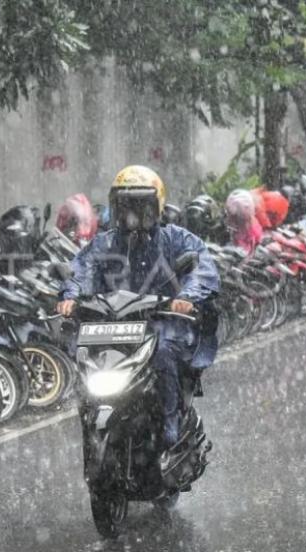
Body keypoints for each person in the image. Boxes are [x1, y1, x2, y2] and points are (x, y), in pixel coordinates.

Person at [56, 165, 220, 447]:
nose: (132, 213)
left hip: (163, 325)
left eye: (141, 205)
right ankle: (93, 430)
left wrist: (187, 297)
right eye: (125, 205)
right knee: (85, 364)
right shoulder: (104, 243)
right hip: (113, 330)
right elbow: (81, 271)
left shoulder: (176, 239)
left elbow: (202, 270)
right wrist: (70, 297)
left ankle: (170, 424)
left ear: (156, 206)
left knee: (163, 351)